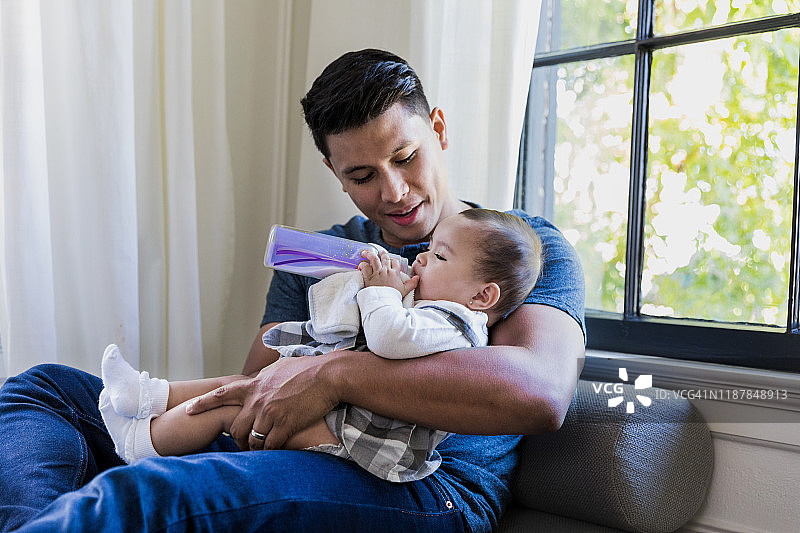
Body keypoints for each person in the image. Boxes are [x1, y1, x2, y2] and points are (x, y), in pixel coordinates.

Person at [0, 48, 585, 532]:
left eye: (406, 157)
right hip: (300, 451)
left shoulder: (519, 250)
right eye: (362, 175)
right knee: (45, 390)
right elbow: (263, 399)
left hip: (427, 485)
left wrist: (337, 375)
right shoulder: (320, 257)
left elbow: (540, 392)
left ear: (438, 129)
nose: (395, 191)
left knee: (148, 493)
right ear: (335, 171)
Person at [98, 208, 543, 485]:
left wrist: (382, 291)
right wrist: (363, 280)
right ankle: (143, 394)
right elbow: (342, 326)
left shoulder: (457, 325)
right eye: (428, 250)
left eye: (440, 257)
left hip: (362, 443)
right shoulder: (427, 306)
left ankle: (141, 443)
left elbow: (388, 337)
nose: (422, 257)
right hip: (345, 418)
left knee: (234, 405)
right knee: (238, 384)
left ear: (483, 297)